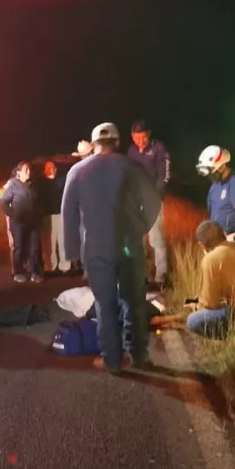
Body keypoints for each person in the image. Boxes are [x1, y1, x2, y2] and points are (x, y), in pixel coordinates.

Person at [62, 122, 161, 374]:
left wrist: (72, 252)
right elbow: (153, 201)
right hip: (129, 246)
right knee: (134, 302)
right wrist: (141, 227)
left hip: (96, 250)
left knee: (104, 305)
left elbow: (68, 214)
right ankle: (138, 355)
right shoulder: (131, 167)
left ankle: (112, 361)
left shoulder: (78, 171)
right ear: (117, 142)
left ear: (94, 143)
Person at [127, 120, 171, 288]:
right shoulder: (131, 151)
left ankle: (161, 276)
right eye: (137, 137)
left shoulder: (159, 148)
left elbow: (165, 175)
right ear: (132, 136)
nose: (141, 141)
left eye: (144, 137)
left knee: (156, 239)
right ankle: (141, 274)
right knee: (136, 240)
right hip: (136, 202)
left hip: (153, 201)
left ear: (149, 134)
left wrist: (154, 195)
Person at [197, 145, 235, 247]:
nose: (210, 175)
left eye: (212, 171)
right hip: (220, 240)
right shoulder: (214, 188)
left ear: (221, 167)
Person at [1, 161, 44, 283]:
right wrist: (13, 214)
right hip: (18, 223)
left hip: (33, 222)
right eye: (26, 170)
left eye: (29, 169)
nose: (29, 172)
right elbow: (4, 202)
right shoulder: (13, 185)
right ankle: (19, 272)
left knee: (34, 248)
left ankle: (34, 272)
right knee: (19, 248)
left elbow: (38, 201)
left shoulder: (33, 184)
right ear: (19, 173)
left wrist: (38, 213)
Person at [40, 160, 70, 274]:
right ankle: (51, 265)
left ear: (56, 169)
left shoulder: (62, 181)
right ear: (44, 170)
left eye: (52, 167)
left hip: (61, 214)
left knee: (62, 241)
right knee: (50, 243)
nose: (50, 169)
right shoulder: (41, 183)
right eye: (48, 168)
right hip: (48, 216)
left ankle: (65, 265)